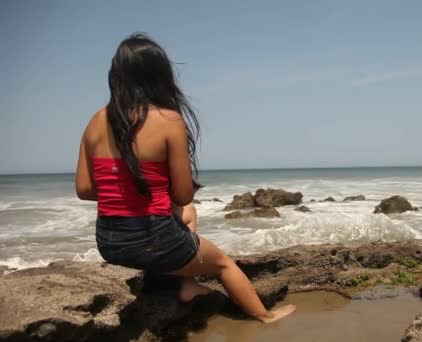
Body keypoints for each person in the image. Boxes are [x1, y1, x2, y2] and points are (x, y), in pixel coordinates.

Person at [75, 33, 295, 323]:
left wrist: (127, 191)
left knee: (181, 218)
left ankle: (186, 284)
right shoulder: (168, 120)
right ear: (159, 75)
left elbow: (85, 189)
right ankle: (264, 315)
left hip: (110, 243)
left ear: (116, 75)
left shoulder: (95, 120)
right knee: (222, 264)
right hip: (154, 240)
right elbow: (182, 195)